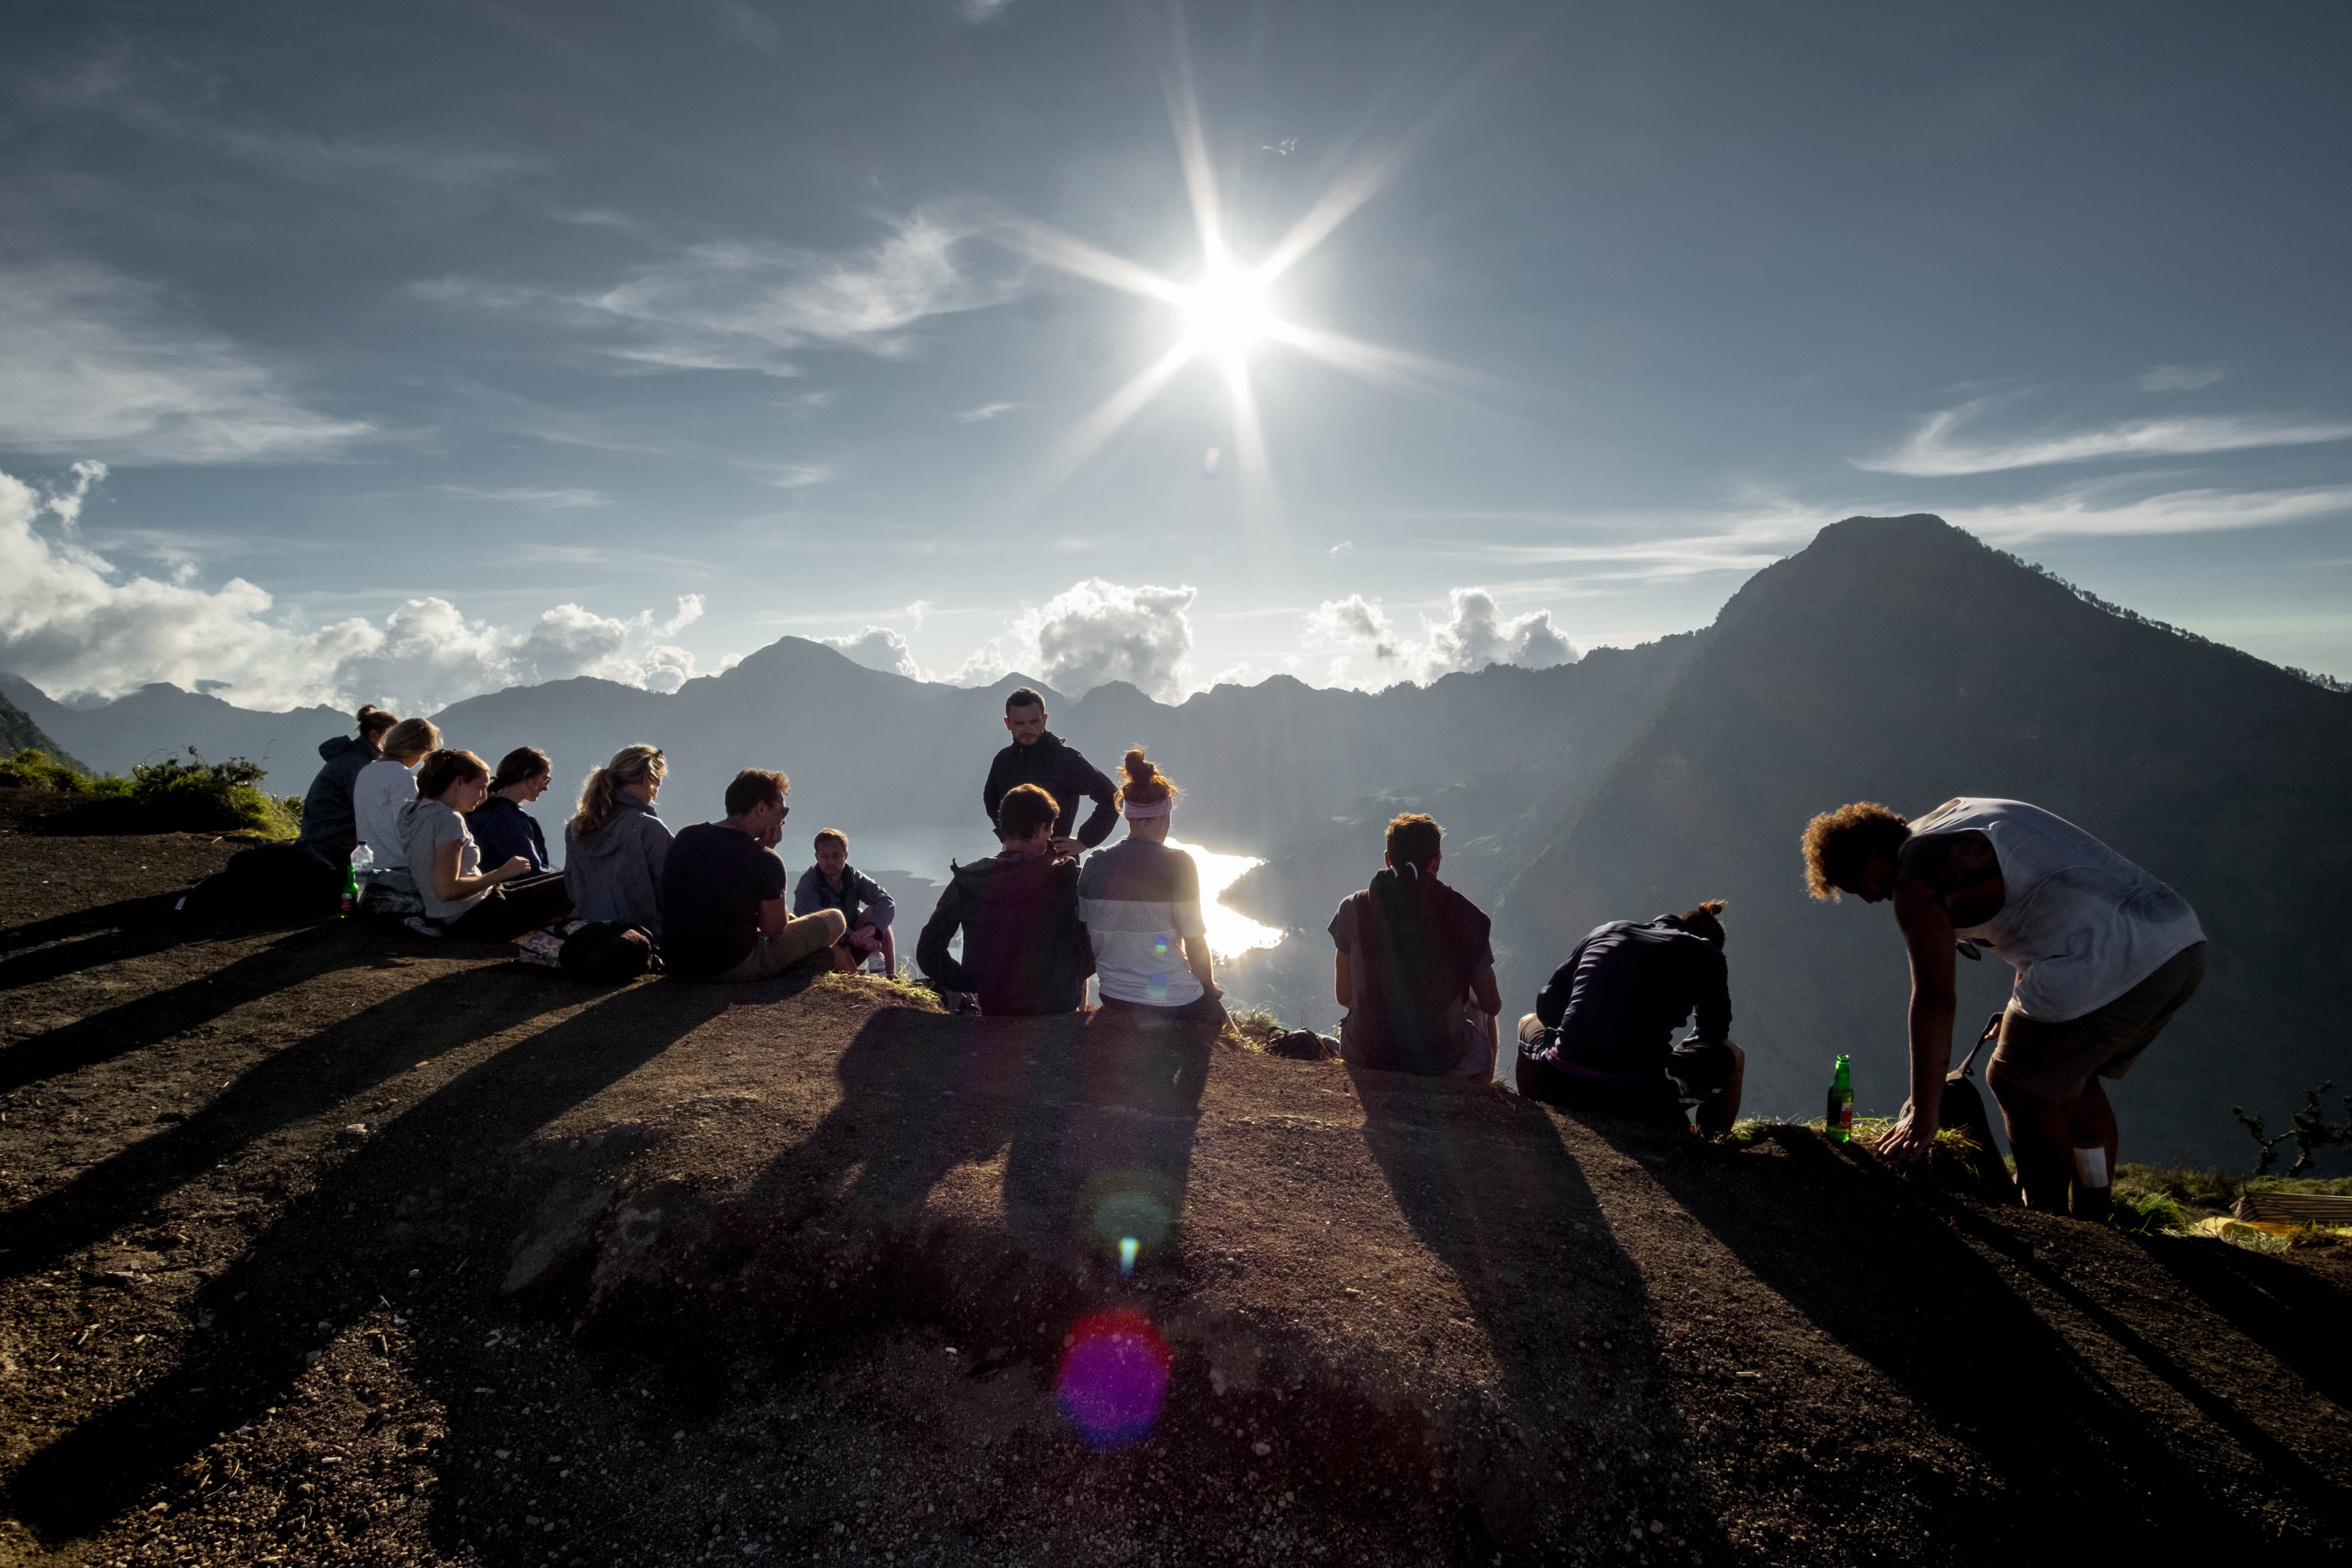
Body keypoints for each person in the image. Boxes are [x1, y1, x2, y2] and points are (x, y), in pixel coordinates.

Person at [1802, 797, 2207, 1216]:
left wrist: (1925, 1115)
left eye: (1857, 884)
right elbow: (2046, 910)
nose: (1869, 900)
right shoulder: (1955, 814)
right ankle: (2094, 1211)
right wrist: (2023, 1006)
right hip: (2178, 946)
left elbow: (1935, 999)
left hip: (2104, 963)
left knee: (2014, 1080)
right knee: (2074, 1082)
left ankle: (2048, 1216)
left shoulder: (1915, 874)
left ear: (1872, 853)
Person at [1514, 903, 1744, 1133]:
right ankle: (1708, 1147)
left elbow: (1548, 1003)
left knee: (1529, 1021)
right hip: (1636, 1095)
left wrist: (1579, 1040)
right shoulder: (1708, 956)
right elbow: (1714, 1035)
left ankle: (1533, 1112)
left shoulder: (1608, 931)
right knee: (1735, 1055)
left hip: (1559, 1079)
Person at [1329, 814, 1501, 1077]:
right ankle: (1482, 1096)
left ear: (1388, 859)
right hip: (1442, 1062)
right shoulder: (1465, 914)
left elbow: (1345, 996)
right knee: (1481, 1009)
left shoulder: (1354, 908)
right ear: (1437, 861)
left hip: (1366, 1055)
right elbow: (1492, 1004)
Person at [917, 783, 1094, 1016]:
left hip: (995, 1004)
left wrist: (970, 982)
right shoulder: (1066, 877)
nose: (1051, 835)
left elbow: (929, 953)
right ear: (1042, 828)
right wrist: (1070, 979)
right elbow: (1093, 945)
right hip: (1057, 1004)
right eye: (1050, 829)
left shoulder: (970, 879)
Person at [1076, 748, 1223, 1020]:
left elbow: (1087, 937)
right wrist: (1209, 991)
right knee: (1213, 1008)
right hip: (1174, 1002)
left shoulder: (1095, 862)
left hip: (1112, 996)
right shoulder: (1179, 864)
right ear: (1165, 816)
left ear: (1128, 817)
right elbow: (1195, 942)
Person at [658, 769, 846, 981]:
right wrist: (768, 852)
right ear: (761, 808)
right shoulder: (764, 860)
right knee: (835, 919)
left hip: (678, 963)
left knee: (815, 946)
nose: (783, 820)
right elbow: (774, 927)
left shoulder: (687, 836)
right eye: (782, 811)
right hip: (729, 966)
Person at [396, 748, 573, 942]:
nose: (483, 796)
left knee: (567, 876)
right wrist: (502, 873)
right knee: (576, 878)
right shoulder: (448, 820)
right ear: (459, 782)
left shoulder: (414, 810)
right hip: (475, 918)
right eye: (480, 787)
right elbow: (447, 890)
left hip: (458, 913)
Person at [980, 688, 1117, 855]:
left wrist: (1084, 841)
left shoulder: (1066, 759)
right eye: (1020, 724)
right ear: (1007, 723)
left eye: (1034, 722)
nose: (1028, 729)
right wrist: (1007, 836)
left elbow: (1112, 797)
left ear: (1044, 720)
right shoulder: (1003, 761)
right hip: (1014, 866)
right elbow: (991, 800)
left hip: (1059, 867)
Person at [564, 744, 672, 939]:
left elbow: (572, 888)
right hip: (642, 935)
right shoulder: (648, 827)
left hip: (587, 933)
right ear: (648, 775)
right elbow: (672, 892)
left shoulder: (576, 828)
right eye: (658, 782)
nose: (655, 792)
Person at [296, 704, 396, 860]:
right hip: (331, 844)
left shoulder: (352, 758)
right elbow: (370, 812)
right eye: (393, 738)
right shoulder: (358, 766)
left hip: (320, 837)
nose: (397, 745)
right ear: (375, 736)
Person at [793, 829, 897, 974]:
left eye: (836, 856)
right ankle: (854, 982)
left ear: (845, 856)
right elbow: (816, 922)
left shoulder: (855, 877)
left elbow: (886, 901)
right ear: (817, 857)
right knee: (837, 945)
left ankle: (891, 977)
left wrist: (872, 928)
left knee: (878, 919)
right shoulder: (808, 884)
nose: (831, 862)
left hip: (855, 941)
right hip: (820, 950)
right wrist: (851, 936)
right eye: (825, 856)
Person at [352, 717, 441, 870]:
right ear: (418, 750)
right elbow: (408, 828)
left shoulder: (366, 771)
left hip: (370, 865)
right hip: (399, 867)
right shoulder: (401, 775)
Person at [470, 747, 555, 874]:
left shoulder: (476, 811)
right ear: (527, 774)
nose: (546, 788)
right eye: (545, 779)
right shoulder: (509, 816)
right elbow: (530, 871)